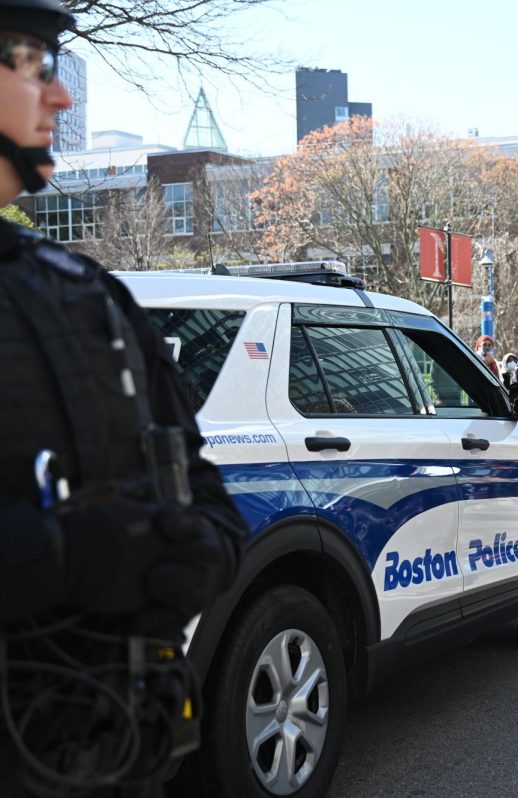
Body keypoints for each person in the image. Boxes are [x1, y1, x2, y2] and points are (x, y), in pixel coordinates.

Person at [0, 2, 247, 793]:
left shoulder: (89, 294)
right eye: (31, 68)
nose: (60, 97)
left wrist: (199, 550)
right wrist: (63, 557)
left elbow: (207, 493)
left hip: (110, 753)